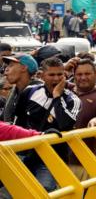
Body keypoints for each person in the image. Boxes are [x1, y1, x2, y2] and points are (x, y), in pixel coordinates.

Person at [13, 57, 81, 192]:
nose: (56, 79)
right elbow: (18, 122)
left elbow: (65, 124)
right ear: (42, 75)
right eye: (51, 75)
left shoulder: (72, 100)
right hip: (24, 154)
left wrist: (57, 96)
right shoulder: (30, 92)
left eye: (59, 74)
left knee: (44, 191)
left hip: (51, 159)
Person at [1, 54, 41, 122]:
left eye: (11, 65)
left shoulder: (39, 92)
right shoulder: (15, 91)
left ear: (24, 68)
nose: (6, 70)